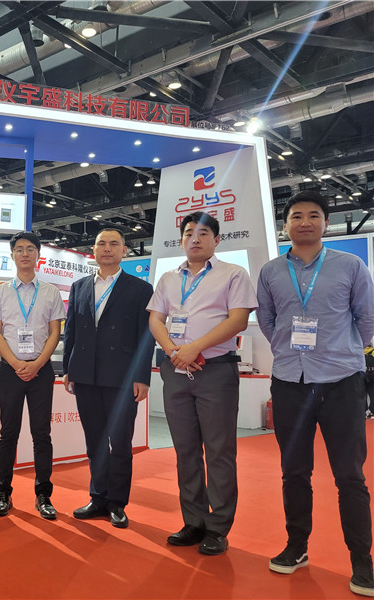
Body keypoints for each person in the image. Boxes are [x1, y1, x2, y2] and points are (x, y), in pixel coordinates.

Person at [257, 191, 374, 597]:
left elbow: (366, 317)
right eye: (296, 216)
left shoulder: (350, 265)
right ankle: (297, 546)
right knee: (294, 471)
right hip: (290, 381)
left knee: (350, 475)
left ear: (325, 222)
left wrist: (344, 351)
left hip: (341, 381)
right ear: (285, 224)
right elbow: (268, 320)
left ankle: (362, 561)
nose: (304, 222)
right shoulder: (271, 271)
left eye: (313, 215)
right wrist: (288, 351)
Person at [147, 211, 256, 556]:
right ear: (181, 239)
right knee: (186, 450)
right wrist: (173, 350)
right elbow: (156, 319)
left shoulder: (233, 274)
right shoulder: (168, 278)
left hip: (216, 371)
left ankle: (218, 527)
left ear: (216, 240)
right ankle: (193, 521)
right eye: (189, 232)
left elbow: (238, 320)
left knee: (219, 451)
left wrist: (195, 347)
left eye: (204, 233)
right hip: (175, 370)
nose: (195, 238)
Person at [63, 229, 154, 527]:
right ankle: (98, 496)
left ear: (124, 251)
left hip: (123, 376)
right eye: (101, 243)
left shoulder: (140, 288)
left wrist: (142, 376)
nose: (107, 248)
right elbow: (71, 331)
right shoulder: (79, 287)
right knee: (95, 441)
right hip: (86, 374)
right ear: (93, 249)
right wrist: (68, 369)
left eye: (114, 244)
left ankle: (117, 502)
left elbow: (146, 336)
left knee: (121, 443)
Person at [0, 231, 65, 519]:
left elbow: (55, 332)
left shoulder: (51, 292)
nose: (24, 253)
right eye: (19, 249)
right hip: (10, 370)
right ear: (12, 256)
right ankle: (3, 493)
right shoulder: (0, 292)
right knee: (8, 433)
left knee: (41, 434)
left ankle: (43, 495)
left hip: (41, 370)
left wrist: (36, 364)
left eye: (30, 249)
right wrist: (16, 363)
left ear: (38, 255)